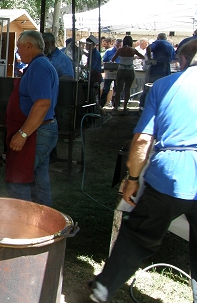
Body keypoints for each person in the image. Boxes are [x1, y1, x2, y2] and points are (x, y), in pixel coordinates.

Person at [88, 39, 197, 303]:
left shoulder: (165, 86)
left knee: (139, 234)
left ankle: (103, 288)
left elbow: (142, 141)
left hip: (172, 174)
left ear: (182, 61)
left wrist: (132, 178)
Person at [6, 30, 59, 207]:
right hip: (42, 130)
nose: (18, 51)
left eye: (19, 47)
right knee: (39, 178)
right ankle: (43, 220)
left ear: (29, 46)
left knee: (18, 178)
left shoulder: (39, 67)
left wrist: (22, 134)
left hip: (37, 132)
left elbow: (43, 104)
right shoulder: (41, 64)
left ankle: (22, 222)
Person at [110, 36, 144, 114]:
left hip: (121, 69)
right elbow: (142, 56)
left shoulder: (120, 50)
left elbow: (112, 59)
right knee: (127, 89)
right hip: (130, 69)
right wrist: (134, 57)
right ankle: (125, 107)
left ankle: (116, 107)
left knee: (119, 89)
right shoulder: (133, 50)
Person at [100, 38, 122, 108]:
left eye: (120, 46)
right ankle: (101, 105)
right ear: (114, 44)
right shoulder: (109, 51)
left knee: (117, 89)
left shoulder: (122, 52)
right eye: (117, 45)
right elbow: (104, 61)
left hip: (118, 72)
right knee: (106, 89)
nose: (118, 47)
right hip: (109, 72)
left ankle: (116, 105)